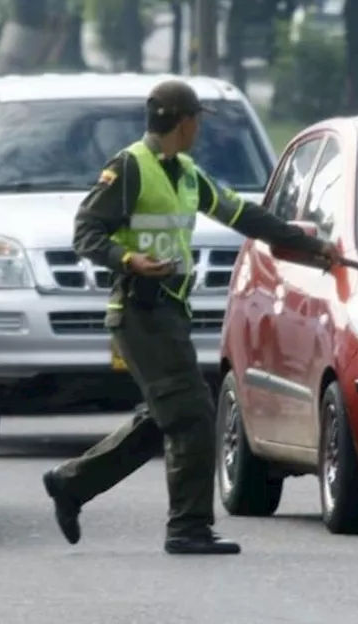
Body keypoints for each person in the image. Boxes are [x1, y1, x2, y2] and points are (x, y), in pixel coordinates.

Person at [41, 79, 342, 555]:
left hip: (169, 312)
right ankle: (188, 527)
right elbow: (86, 231)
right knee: (193, 417)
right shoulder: (130, 168)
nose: (199, 128)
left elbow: (242, 214)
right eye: (197, 120)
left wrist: (310, 245)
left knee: (167, 416)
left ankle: (72, 484)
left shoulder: (185, 174)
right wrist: (128, 260)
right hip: (140, 311)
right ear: (184, 122)